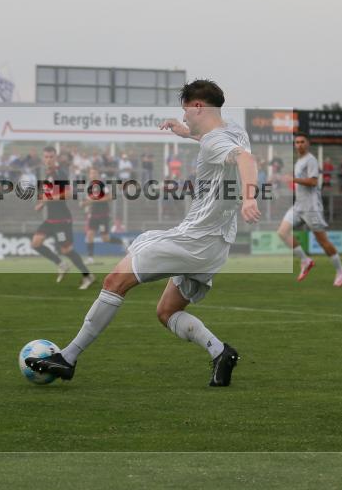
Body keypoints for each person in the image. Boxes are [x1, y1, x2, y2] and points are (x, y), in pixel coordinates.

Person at [24, 80, 260, 387]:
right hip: (217, 245)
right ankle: (221, 352)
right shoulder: (235, 129)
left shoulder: (215, 142)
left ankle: (67, 358)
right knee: (167, 311)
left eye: (186, 110)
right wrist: (186, 132)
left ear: (198, 106)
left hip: (193, 239)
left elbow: (243, 158)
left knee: (113, 281)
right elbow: (226, 146)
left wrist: (250, 197)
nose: (185, 116)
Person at [277, 132, 342, 287]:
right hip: (299, 206)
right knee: (282, 232)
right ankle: (305, 260)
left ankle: (341, 270)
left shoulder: (311, 160)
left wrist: (293, 179)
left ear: (308, 144)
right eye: (297, 142)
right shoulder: (299, 162)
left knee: (323, 241)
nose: (300, 144)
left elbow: (313, 182)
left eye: (302, 141)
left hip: (311, 207)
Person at [30, 146, 95, 290]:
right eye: (46, 157)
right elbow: (49, 195)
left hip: (61, 219)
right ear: (43, 158)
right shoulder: (48, 174)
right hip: (50, 219)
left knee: (66, 250)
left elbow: (68, 194)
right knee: (35, 243)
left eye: (51, 157)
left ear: (56, 157)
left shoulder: (59, 173)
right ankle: (61, 264)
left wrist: (47, 200)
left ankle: (87, 275)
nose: (48, 159)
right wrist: (41, 204)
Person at [82, 167, 127, 264]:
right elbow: (89, 200)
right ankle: (90, 258)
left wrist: (93, 200)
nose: (92, 175)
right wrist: (85, 203)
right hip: (93, 214)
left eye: (94, 173)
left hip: (103, 215)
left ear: (97, 174)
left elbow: (109, 197)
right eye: (91, 173)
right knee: (89, 235)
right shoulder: (90, 186)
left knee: (105, 238)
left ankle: (123, 242)